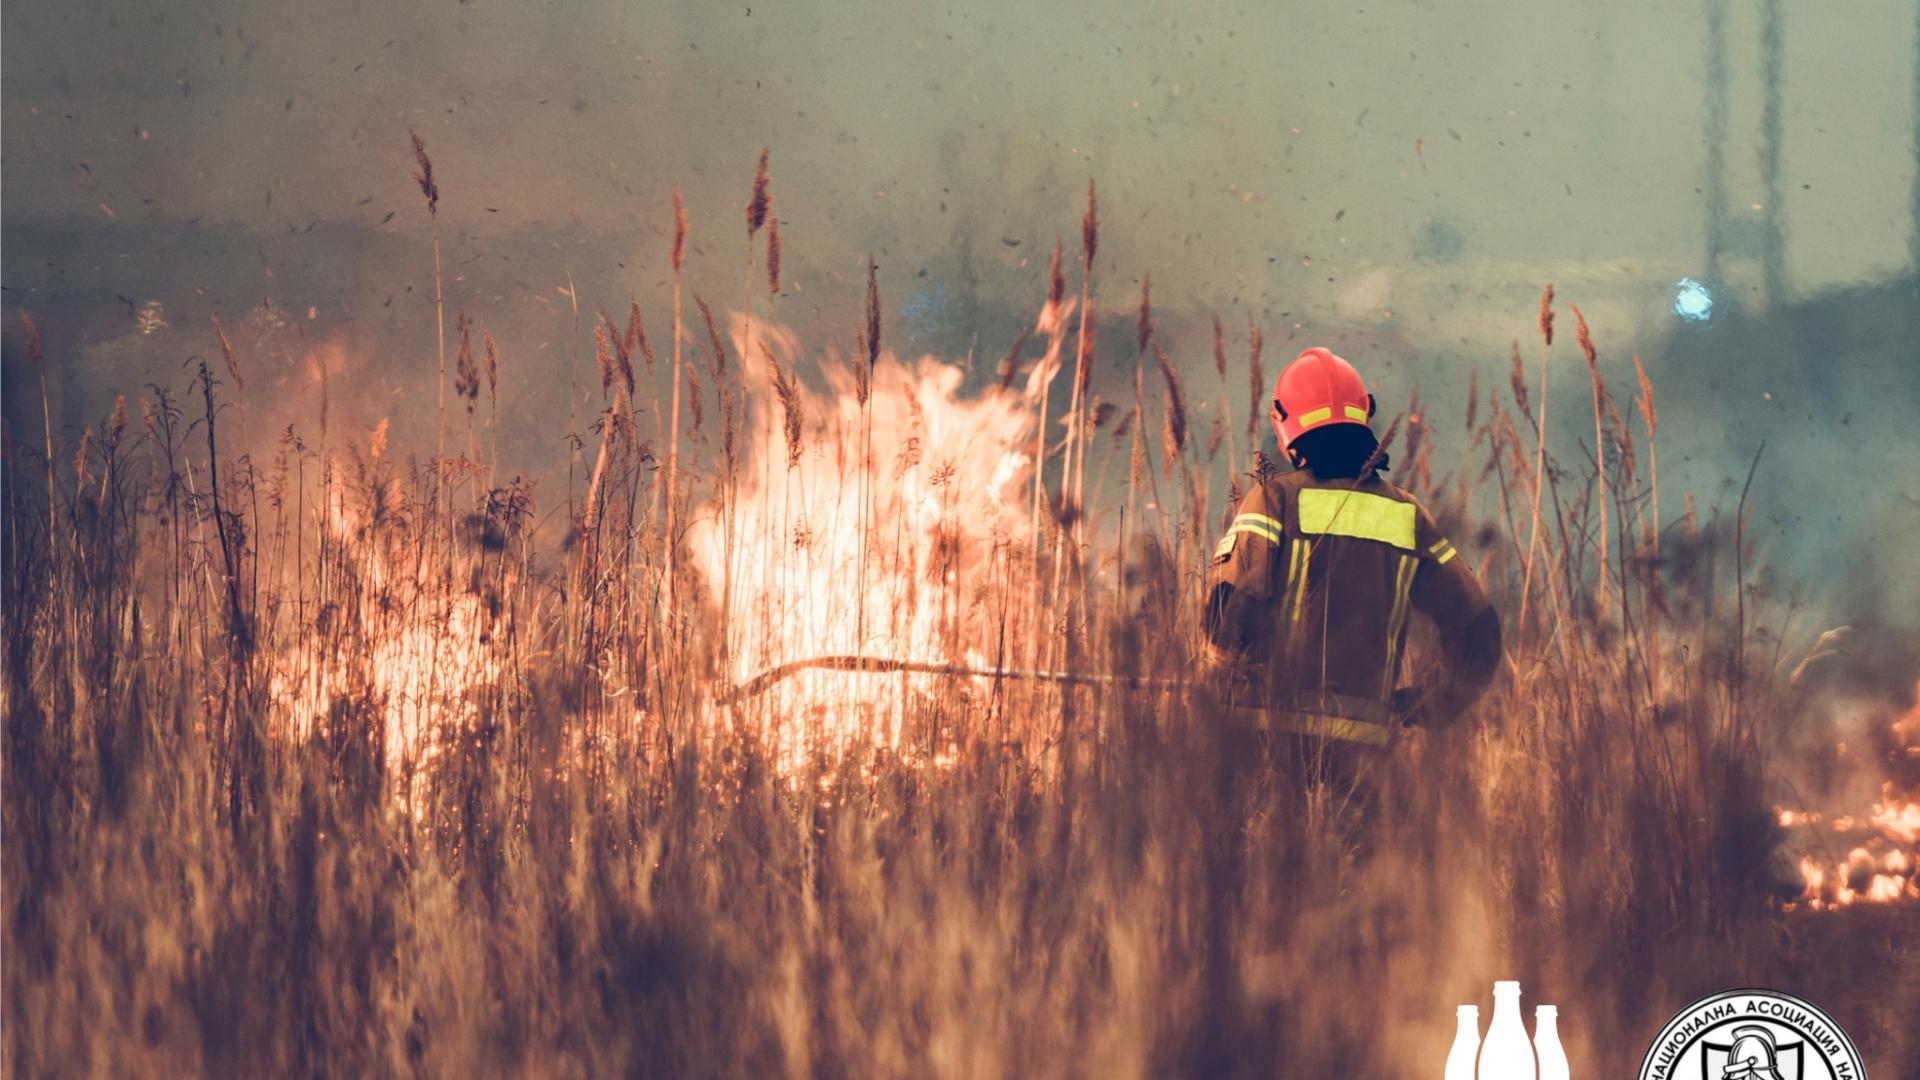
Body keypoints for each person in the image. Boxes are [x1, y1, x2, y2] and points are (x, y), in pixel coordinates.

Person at [1201, 347, 1502, 769]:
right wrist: (1431, 703)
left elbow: (1224, 615)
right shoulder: (1407, 514)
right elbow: (1479, 632)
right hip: (1363, 766)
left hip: (1268, 754)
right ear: (1365, 416)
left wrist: (1224, 687)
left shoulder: (1274, 501)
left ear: (1285, 424)